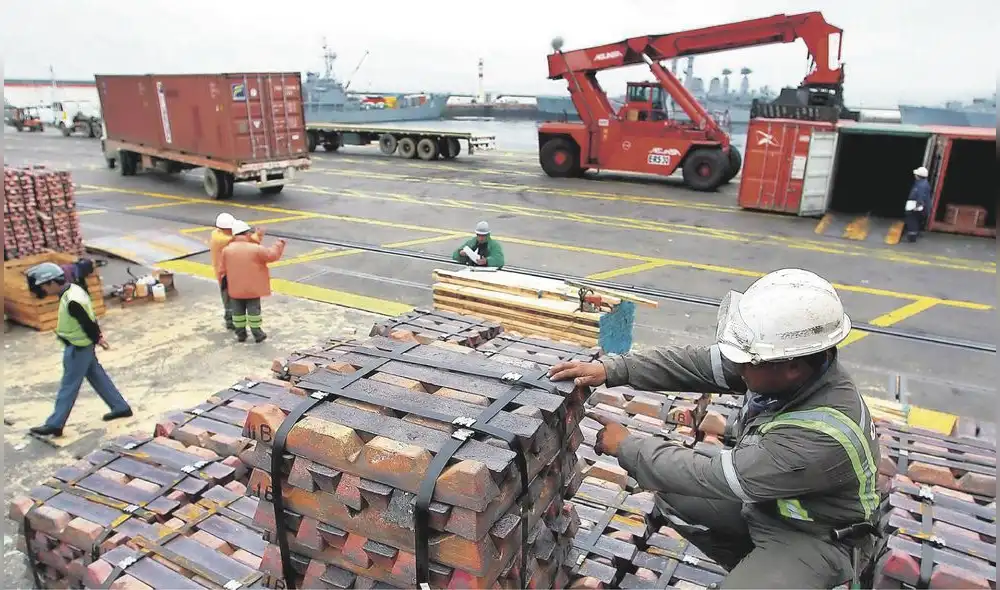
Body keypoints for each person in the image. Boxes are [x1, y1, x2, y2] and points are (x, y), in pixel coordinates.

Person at [548, 268, 880, 589]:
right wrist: (612, 369)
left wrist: (627, 446)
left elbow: (716, 476)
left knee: (679, 478)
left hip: (816, 536)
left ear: (791, 366)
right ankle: (754, 569)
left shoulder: (821, 437)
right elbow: (695, 365)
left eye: (745, 362)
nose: (737, 366)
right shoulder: (783, 367)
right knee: (672, 495)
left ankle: (786, 577)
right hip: (768, 505)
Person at [25, 263, 133, 437]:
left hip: (78, 347)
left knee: (68, 385)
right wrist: (98, 338)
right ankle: (120, 407)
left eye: (44, 286)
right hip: (83, 345)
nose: (43, 290)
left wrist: (97, 338)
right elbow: (90, 317)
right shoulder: (74, 290)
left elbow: (86, 322)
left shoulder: (72, 300)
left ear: (52, 282)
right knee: (97, 376)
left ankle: (55, 423)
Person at [219, 220, 286, 343]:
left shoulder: (227, 250)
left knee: (237, 313)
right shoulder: (256, 249)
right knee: (254, 312)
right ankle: (257, 334)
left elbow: (222, 269)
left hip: (235, 288)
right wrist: (279, 244)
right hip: (253, 289)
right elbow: (272, 255)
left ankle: (241, 334)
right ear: (247, 234)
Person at [209, 212, 262, 330]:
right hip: (226, 275)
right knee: (229, 299)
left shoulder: (216, 233)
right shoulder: (223, 240)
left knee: (229, 298)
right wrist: (257, 235)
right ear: (225, 229)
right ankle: (230, 321)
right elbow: (245, 241)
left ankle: (232, 320)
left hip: (226, 272)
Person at [903, 166, 932, 242]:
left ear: (918, 176)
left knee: (912, 218)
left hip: (919, 205)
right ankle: (915, 233)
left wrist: (917, 206)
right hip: (922, 206)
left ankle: (912, 236)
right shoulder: (922, 183)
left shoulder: (921, 185)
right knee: (916, 219)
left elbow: (921, 196)